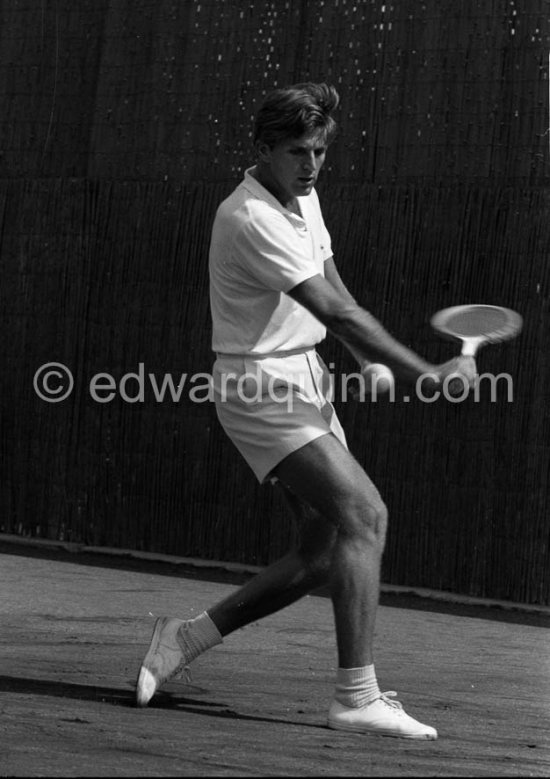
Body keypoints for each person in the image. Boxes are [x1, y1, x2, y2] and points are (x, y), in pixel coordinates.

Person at [135, 82, 477, 739]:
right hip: (260, 389)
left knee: (322, 551)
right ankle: (356, 695)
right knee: (365, 513)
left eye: (320, 150)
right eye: (297, 151)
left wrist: (360, 356)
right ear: (263, 149)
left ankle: (185, 637)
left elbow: (333, 284)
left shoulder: (305, 194)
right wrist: (427, 374)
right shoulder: (250, 216)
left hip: (307, 378)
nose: (312, 164)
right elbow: (335, 308)